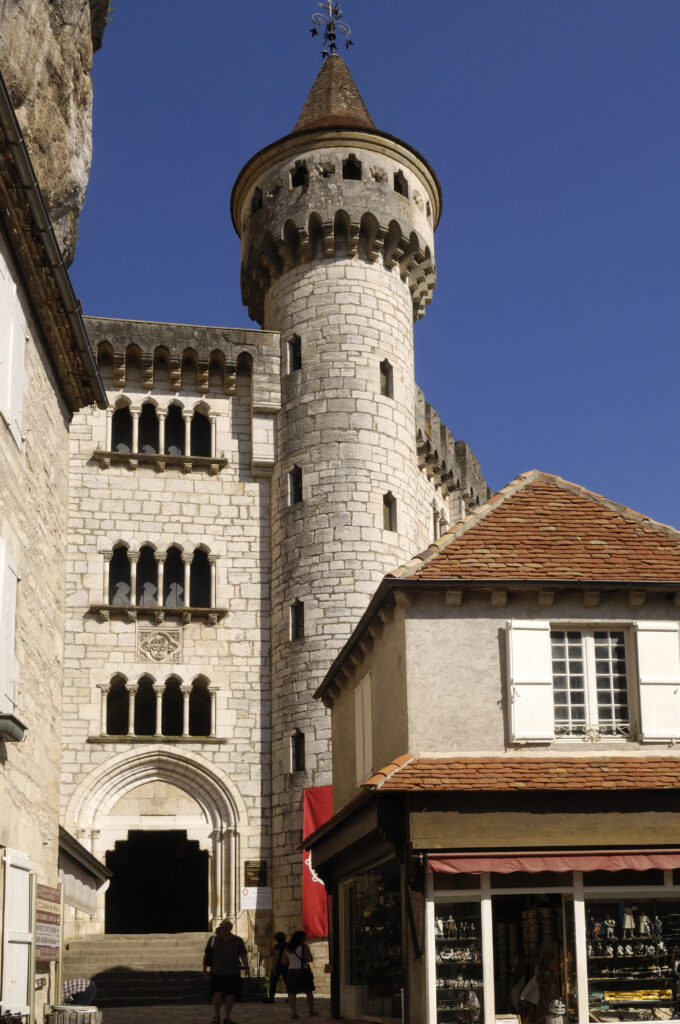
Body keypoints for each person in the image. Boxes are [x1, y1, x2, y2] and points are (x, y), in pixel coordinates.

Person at [202, 920, 250, 1024]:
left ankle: (227, 1017)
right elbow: (206, 955)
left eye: (226, 928)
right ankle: (216, 1015)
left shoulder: (238, 941)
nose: (223, 930)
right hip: (217, 971)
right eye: (221, 928)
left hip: (233, 972)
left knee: (231, 996)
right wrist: (204, 970)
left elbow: (243, 955)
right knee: (217, 994)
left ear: (230, 929)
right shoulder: (212, 940)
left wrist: (246, 967)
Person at [282, 930, 318, 1020]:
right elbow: (310, 959)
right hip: (303, 971)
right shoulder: (304, 947)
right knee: (308, 991)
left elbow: (284, 961)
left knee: (292, 993)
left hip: (292, 971)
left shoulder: (287, 948)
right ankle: (311, 1011)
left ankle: (294, 1013)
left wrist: (292, 961)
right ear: (301, 939)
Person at [263, 931, 287, 1003]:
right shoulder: (288, 945)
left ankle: (271, 998)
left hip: (278, 965)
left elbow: (276, 957)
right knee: (287, 982)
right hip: (286, 965)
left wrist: (274, 967)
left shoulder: (277, 946)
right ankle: (291, 997)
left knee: (273, 982)